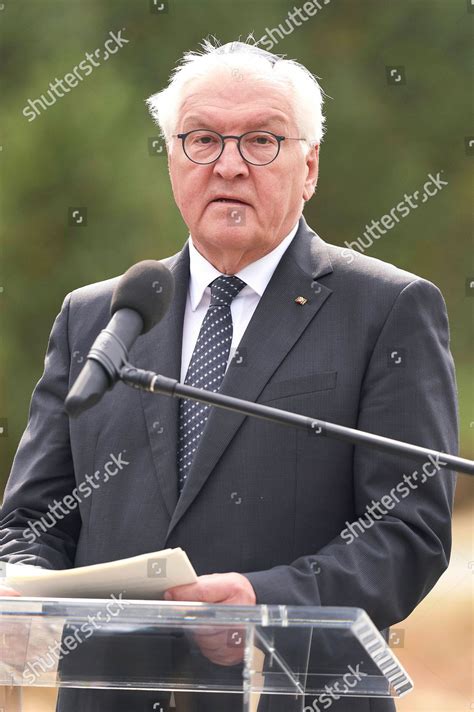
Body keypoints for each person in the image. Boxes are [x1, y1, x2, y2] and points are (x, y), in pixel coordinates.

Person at [0, 38, 457, 712]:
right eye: (203, 140)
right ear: (173, 162)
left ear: (310, 166)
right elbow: (33, 517)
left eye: (262, 141)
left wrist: (263, 600)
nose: (230, 166)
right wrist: (22, 584)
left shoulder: (387, 309)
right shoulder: (99, 316)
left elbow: (410, 530)